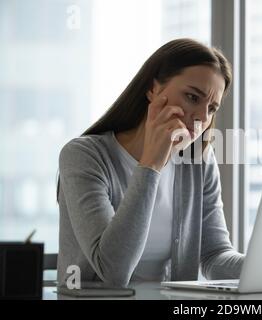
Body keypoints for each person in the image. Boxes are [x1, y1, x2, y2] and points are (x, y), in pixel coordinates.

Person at [57, 38, 244, 287]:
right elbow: (112, 271)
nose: (201, 116)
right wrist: (151, 165)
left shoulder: (198, 161)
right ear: (153, 89)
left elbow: (214, 255)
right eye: (192, 97)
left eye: (211, 108)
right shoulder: (83, 156)